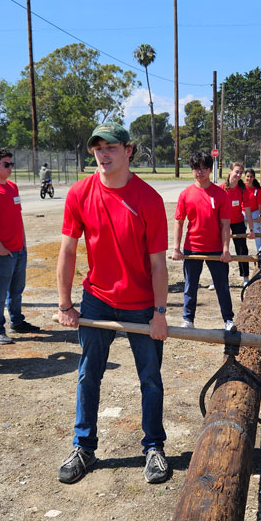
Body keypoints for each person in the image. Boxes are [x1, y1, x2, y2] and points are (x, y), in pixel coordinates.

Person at [56, 122, 171, 485]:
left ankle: (153, 447)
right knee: (89, 375)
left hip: (141, 304)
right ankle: (83, 447)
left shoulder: (148, 199)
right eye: (97, 148)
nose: (102, 155)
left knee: (150, 379)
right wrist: (65, 304)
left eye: (110, 147)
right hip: (97, 301)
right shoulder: (79, 193)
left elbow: (157, 264)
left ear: (128, 150)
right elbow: (68, 250)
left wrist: (160, 313)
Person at [0, 147, 41, 345]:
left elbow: (17, 217)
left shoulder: (12, 187)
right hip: (0, 253)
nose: (10, 167)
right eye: (6, 164)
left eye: (11, 164)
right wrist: (0, 249)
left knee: (16, 290)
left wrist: (23, 244)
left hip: (18, 250)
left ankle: (17, 322)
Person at [172, 151, 235, 331]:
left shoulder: (220, 194)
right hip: (192, 248)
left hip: (216, 249)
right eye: (196, 169)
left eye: (204, 168)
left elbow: (225, 225)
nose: (200, 172)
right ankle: (188, 320)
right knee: (190, 286)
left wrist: (225, 250)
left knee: (222, 286)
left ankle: (228, 320)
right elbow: (179, 222)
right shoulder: (185, 194)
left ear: (210, 169)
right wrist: (176, 248)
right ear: (192, 170)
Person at [221, 162, 250, 286]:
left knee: (242, 249)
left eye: (240, 173)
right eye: (236, 172)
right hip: (223, 222)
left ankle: (245, 277)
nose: (238, 175)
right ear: (230, 171)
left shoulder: (242, 189)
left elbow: (247, 209)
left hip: (237, 221)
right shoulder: (221, 188)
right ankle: (219, 278)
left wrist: (252, 229)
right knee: (221, 250)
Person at [243, 168, 261, 252]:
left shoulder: (258, 189)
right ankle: (243, 250)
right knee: (241, 231)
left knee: (257, 231)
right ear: (245, 177)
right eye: (247, 176)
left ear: (254, 178)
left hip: (254, 211)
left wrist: (260, 215)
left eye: (251, 177)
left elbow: (260, 203)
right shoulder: (242, 187)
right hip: (243, 211)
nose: (249, 178)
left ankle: (260, 251)